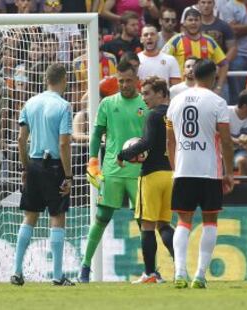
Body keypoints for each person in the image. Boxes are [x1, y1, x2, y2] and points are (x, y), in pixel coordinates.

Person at [78, 61, 148, 283]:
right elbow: (97, 134)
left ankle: (151, 269)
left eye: (128, 80)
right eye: (121, 81)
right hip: (112, 170)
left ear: (136, 79)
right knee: (101, 217)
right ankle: (85, 267)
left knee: (144, 222)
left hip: (139, 172)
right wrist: (92, 161)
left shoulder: (145, 104)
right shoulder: (108, 103)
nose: (124, 85)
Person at [166, 59, 234, 289]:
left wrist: (176, 168)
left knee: (183, 221)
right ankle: (200, 275)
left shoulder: (175, 101)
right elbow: (225, 140)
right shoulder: (218, 102)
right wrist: (229, 172)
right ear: (214, 76)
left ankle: (180, 272)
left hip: (184, 170)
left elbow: (170, 140)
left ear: (192, 74)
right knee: (210, 221)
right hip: (209, 171)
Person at [10, 64, 74, 286]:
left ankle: (16, 271)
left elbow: (20, 140)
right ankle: (57, 276)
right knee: (57, 218)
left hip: (34, 165)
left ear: (46, 79)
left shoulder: (30, 103)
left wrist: (26, 167)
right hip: (54, 165)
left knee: (29, 217)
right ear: (64, 79)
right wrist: (68, 176)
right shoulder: (64, 106)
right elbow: (64, 143)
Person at [117, 76, 174, 284]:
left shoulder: (152, 115)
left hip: (151, 175)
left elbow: (147, 142)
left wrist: (123, 154)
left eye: (147, 93)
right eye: (142, 93)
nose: (144, 98)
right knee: (165, 225)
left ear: (160, 93)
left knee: (147, 226)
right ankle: (181, 269)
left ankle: (150, 274)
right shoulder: (175, 112)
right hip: (171, 174)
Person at [162, 8, 228, 96]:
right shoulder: (175, 40)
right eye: (190, 20)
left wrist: (218, 87)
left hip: (205, 91)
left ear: (201, 22)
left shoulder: (209, 41)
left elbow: (224, 63)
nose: (193, 22)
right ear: (184, 23)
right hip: (182, 91)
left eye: (196, 20)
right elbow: (162, 60)